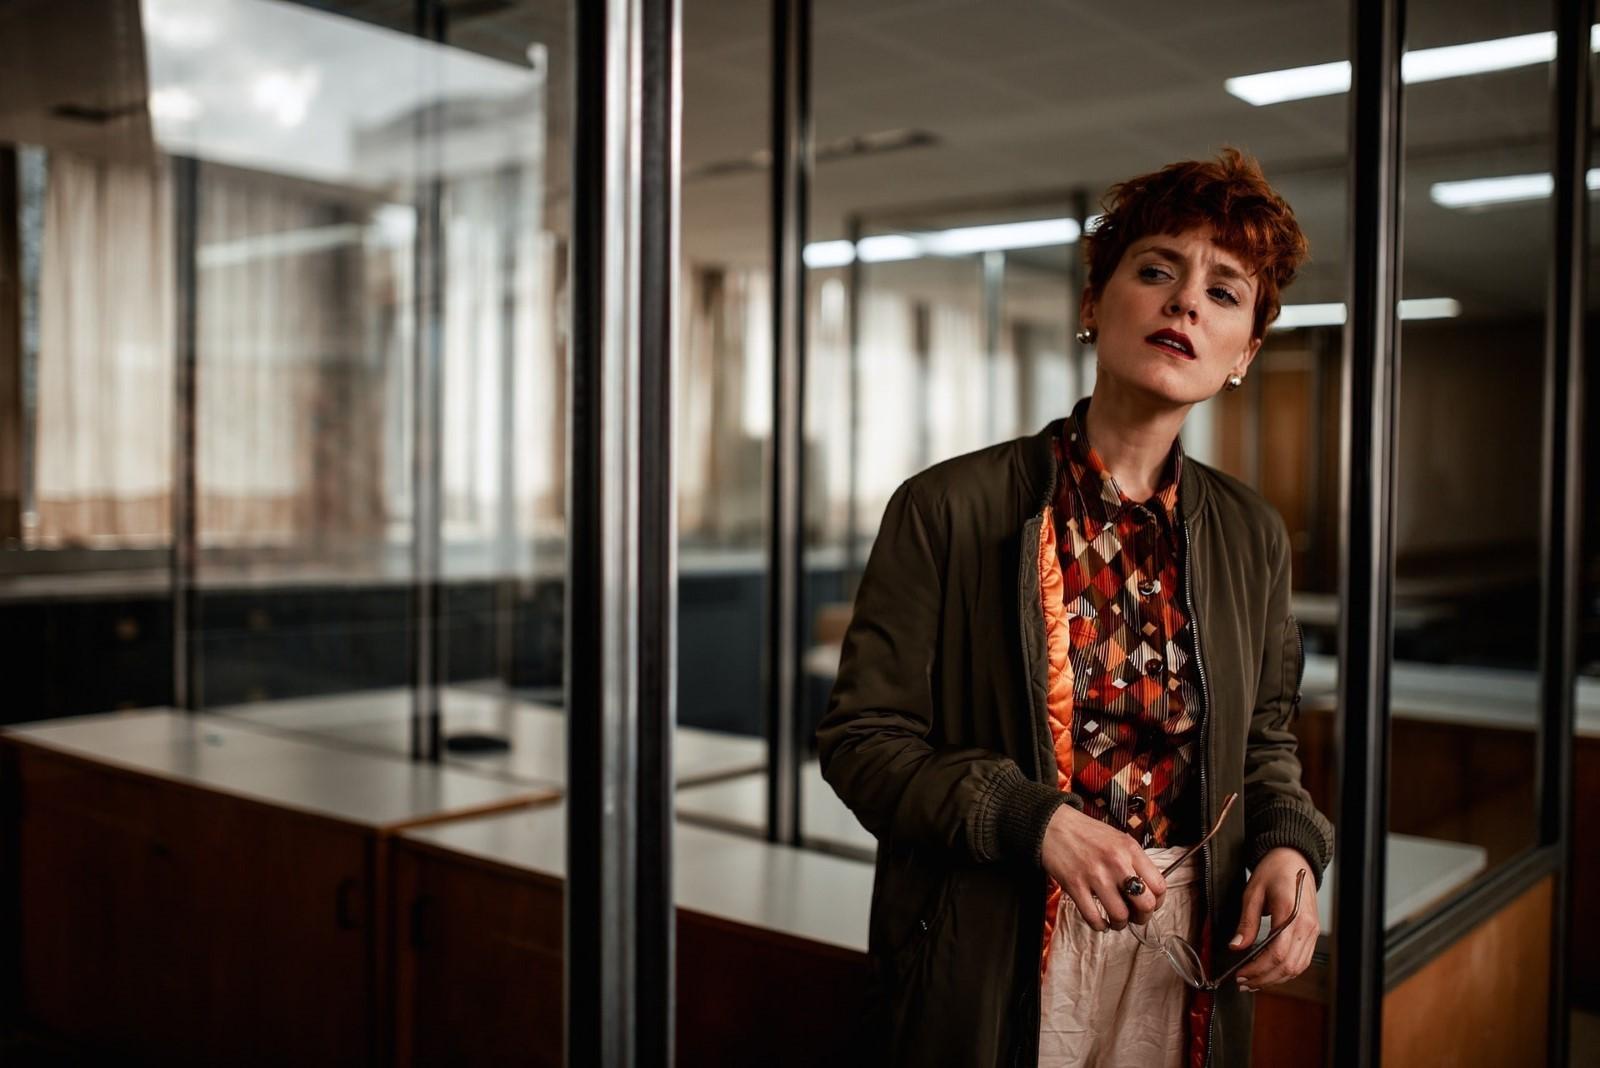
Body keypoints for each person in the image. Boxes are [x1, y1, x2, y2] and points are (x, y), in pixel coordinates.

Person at [816, 148, 1334, 1068]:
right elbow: (863, 741)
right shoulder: (948, 508)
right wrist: (1034, 820)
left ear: (1246, 351)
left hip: (1190, 946)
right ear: (1094, 303)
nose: (1185, 303)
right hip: (999, 936)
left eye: (1225, 292)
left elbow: (1266, 744)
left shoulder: (1251, 535)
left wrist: (1290, 849)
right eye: (1157, 270)